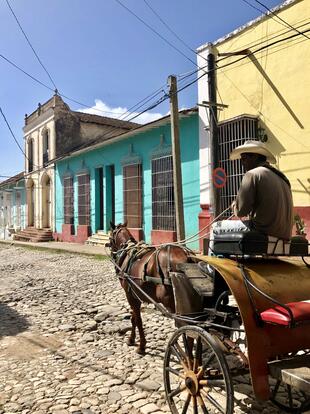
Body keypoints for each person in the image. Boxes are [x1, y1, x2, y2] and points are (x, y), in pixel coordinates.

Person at [229, 140, 293, 240]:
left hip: (262, 231)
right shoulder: (283, 179)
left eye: (244, 159)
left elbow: (241, 211)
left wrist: (234, 206)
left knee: (216, 227)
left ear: (254, 156)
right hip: (284, 236)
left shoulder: (252, 174)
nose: (242, 164)